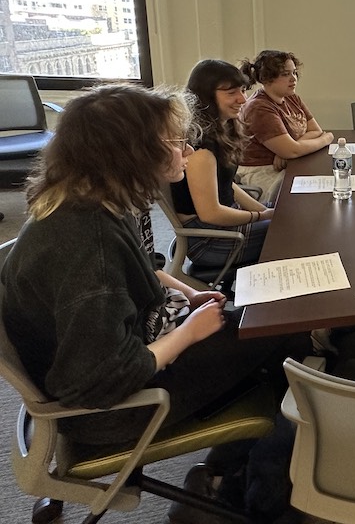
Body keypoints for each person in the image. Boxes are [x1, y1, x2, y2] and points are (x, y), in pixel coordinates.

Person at [0, 85, 304, 447]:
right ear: (132, 153)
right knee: (286, 330)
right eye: (175, 141)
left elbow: (140, 264)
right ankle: (258, 479)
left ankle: (237, 462)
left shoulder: (91, 200)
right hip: (115, 410)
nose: (188, 150)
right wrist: (189, 332)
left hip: (139, 338)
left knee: (263, 323)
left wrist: (189, 292)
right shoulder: (86, 247)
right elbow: (100, 380)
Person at [170, 59, 273, 275]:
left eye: (242, 90)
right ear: (206, 96)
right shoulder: (201, 148)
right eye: (231, 93)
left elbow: (226, 185)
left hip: (223, 227)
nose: (242, 99)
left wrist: (264, 211)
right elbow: (211, 213)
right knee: (291, 230)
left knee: (290, 209)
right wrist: (261, 216)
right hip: (208, 240)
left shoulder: (221, 129)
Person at [237, 50, 334, 200]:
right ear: (267, 78)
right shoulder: (259, 107)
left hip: (288, 164)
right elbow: (296, 149)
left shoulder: (292, 98)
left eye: (294, 73)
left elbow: (315, 130)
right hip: (263, 172)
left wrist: (290, 148)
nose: (293, 79)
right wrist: (327, 138)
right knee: (315, 197)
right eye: (285, 74)